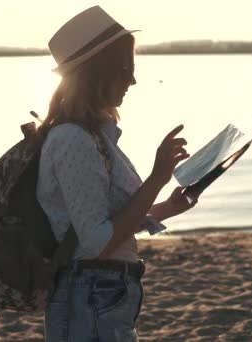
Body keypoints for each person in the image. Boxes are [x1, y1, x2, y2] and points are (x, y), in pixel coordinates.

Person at [36, 5, 198, 342]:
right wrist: (156, 177)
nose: (133, 79)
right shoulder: (73, 139)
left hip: (101, 296)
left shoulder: (95, 135)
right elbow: (96, 243)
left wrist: (167, 207)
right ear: (96, 72)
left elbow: (105, 223)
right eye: (125, 68)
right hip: (90, 295)